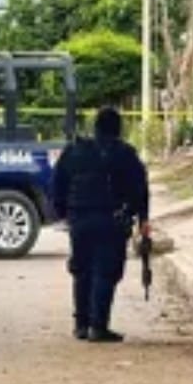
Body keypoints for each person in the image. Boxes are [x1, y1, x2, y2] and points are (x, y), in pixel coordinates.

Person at [50, 107, 150, 343]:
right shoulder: (125, 153)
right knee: (105, 271)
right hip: (111, 220)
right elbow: (140, 189)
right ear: (118, 128)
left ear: (95, 126)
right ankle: (98, 326)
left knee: (81, 269)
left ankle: (81, 325)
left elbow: (57, 183)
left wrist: (64, 213)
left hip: (79, 218)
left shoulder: (74, 150)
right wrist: (142, 219)